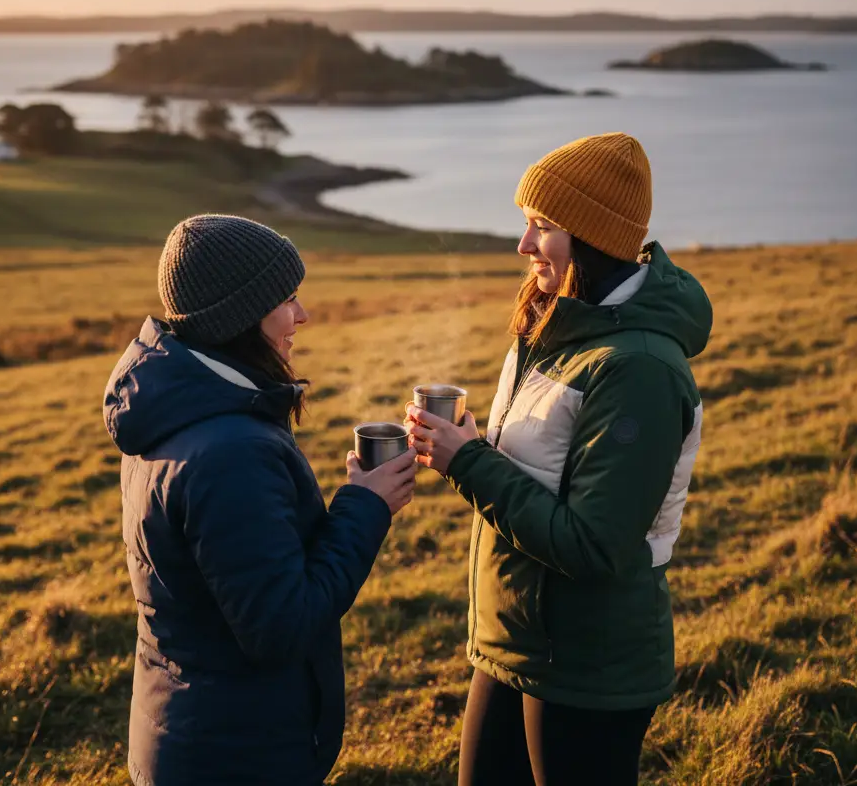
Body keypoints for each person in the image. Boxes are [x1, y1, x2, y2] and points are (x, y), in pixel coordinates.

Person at [405, 133, 712, 786]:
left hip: (587, 666)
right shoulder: (557, 324)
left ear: (591, 235)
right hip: (515, 643)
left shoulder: (640, 371)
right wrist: (473, 442)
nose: (523, 245)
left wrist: (467, 462)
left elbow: (594, 544)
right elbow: (547, 470)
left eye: (542, 225)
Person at [104, 214, 417, 786]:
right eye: (287, 299)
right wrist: (366, 506)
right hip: (237, 755)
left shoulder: (174, 408)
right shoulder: (229, 450)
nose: (303, 315)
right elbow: (281, 626)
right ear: (241, 315)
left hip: (187, 728)